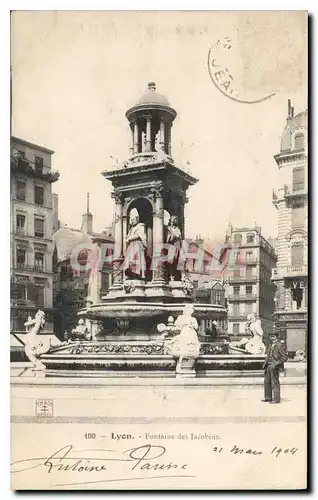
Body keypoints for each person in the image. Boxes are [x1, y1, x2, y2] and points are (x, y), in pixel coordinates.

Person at [262, 332, 288, 404]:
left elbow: (285, 357)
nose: (272, 338)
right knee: (267, 382)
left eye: (273, 336)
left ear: (277, 337)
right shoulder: (270, 345)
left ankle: (276, 399)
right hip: (268, 366)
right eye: (271, 336)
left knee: (274, 383)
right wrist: (265, 364)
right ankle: (268, 397)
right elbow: (268, 356)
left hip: (274, 367)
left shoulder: (280, 345)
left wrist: (276, 364)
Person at [124, 208, 148, 279]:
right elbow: (130, 235)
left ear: (137, 219)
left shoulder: (140, 226)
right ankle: (131, 274)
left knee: (136, 259)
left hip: (137, 245)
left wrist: (129, 238)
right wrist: (127, 237)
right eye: (131, 220)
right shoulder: (132, 228)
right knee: (131, 260)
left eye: (133, 220)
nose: (132, 221)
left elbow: (139, 235)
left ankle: (136, 274)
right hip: (132, 246)